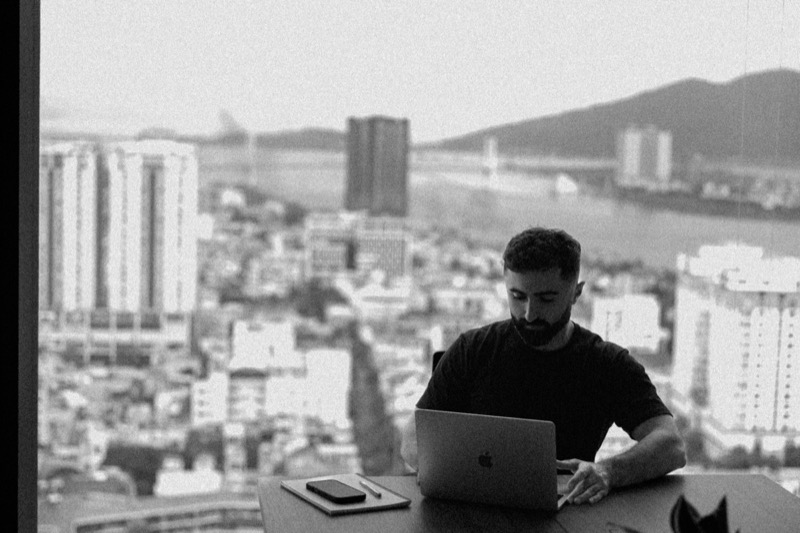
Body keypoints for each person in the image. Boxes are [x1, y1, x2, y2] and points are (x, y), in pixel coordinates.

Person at [401, 227, 686, 505]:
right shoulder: (472, 349)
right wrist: (442, 472)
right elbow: (413, 435)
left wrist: (607, 471)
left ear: (576, 293)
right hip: (470, 508)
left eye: (546, 299)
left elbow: (671, 445)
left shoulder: (607, 364)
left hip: (566, 512)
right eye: (517, 297)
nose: (529, 313)